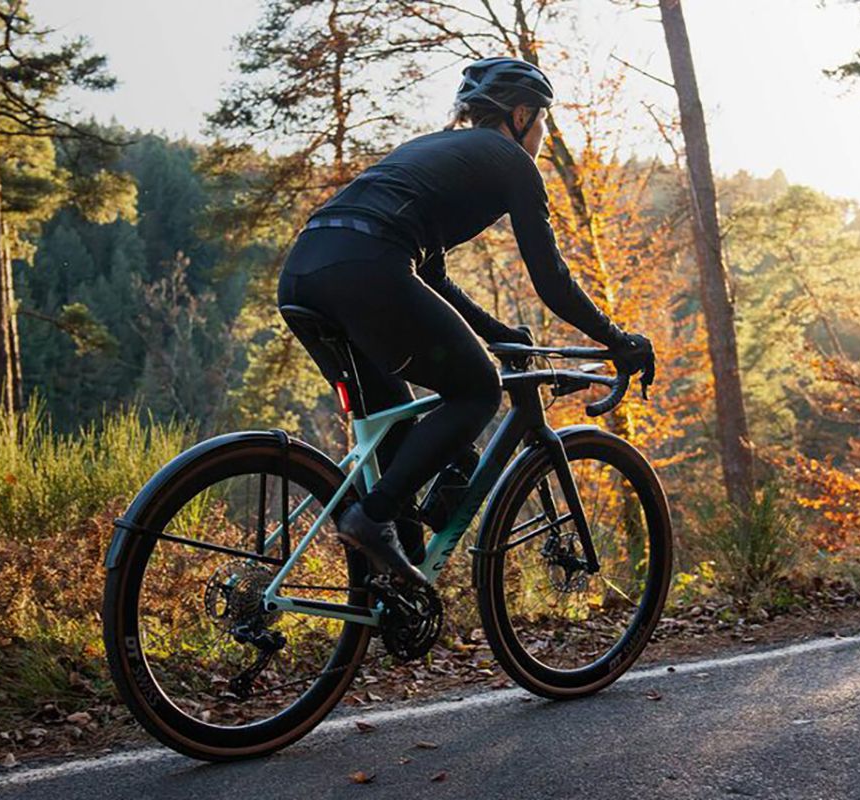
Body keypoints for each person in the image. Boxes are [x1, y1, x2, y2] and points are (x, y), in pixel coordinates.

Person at [278, 56, 655, 586]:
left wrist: (497, 333)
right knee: (477, 390)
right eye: (543, 122)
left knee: (397, 426)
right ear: (522, 115)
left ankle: (394, 594)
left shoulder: (429, 148)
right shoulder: (510, 159)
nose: (542, 135)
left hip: (304, 271)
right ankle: (370, 519)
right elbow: (550, 280)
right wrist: (617, 340)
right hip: (368, 267)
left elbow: (431, 276)